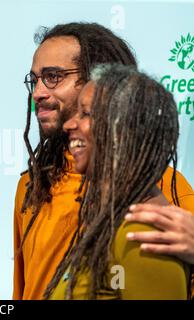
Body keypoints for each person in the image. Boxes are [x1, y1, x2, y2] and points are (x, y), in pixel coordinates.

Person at [13, 22, 194, 300]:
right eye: (34, 79)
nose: (37, 92)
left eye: (53, 77)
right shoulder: (32, 186)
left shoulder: (165, 189)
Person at [45, 64, 189, 299]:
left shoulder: (145, 235)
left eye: (86, 114)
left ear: (123, 130)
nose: (69, 125)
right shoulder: (113, 224)